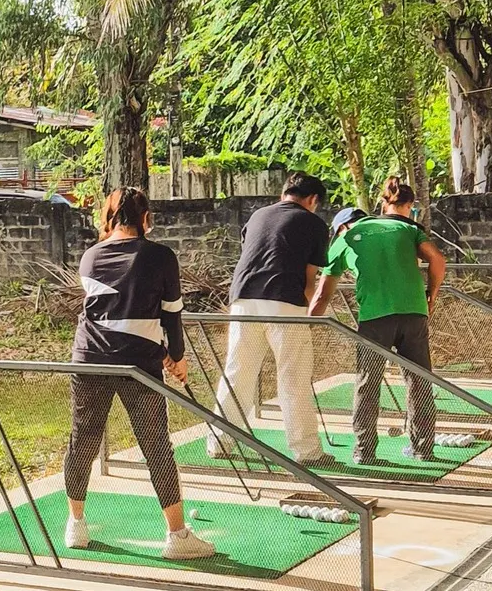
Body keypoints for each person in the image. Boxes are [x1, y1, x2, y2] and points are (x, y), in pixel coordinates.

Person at [62, 187, 216, 560]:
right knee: (155, 444)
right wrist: (176, 357)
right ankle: (177, 537)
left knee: (83, 437)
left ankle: (75, 526)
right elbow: (170, 315)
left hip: (89, 359)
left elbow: (115, 312)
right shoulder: (161, 255)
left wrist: (163, 351)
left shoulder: (90, 256)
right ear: (146, 219)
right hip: (137, 365)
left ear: (110, 217)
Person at [314, 175, 446, 465]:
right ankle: (423, 448)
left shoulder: (347, 237)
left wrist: (309, 321)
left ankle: (364, 452)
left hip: (375, 317)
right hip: (414, 312)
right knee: (419, 381)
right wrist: (431, 295)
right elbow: (437, 260)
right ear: (409, 206)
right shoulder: (407, 228)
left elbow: (322, 293)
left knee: (367, 383)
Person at [209, 172, 331, 465]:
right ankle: (307, 452)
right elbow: (309, 278)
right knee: (294, 377)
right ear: (313, 200)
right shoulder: (314, 223)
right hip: (284, 302)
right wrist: (305, 312)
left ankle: (220, 442)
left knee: (239, 371)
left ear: (284, 193)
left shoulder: (258, 215)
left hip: (243, 299)